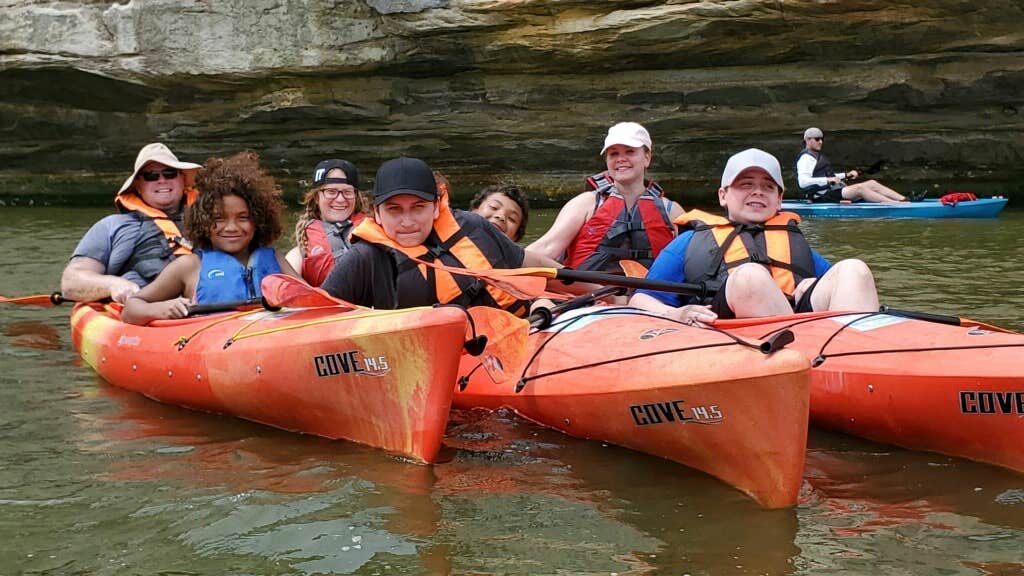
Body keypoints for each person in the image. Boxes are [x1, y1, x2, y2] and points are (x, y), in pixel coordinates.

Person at [630, 148, 880, 323]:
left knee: (853, 270)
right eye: (746, 184)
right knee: (751, 277)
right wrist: (674, 314)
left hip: (806, 336)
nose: (758, 192)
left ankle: (859, 366)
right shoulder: (688, 243)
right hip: (730, 330)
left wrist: (809, 287)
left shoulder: (791, 241)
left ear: (779, 200)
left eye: (768, 187)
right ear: (723, 195)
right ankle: (799, 366)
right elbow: (640, 300)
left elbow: (834, 288)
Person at [320, 157, 592, 313]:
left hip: (526, 333)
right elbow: (315, 319)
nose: (407, 222)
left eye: (418, 208)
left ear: (437, 207)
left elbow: (538, 267)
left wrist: (610, 293)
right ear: (377, 214)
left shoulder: (472, 226)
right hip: (446, 364)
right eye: (394, 210)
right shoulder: (363, 260)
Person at [122, 151, 299, 325]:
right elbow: (131, 308)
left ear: (259, 221)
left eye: (243, 218)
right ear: (203, 222)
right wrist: (161, 309)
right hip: (212, 347)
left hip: (270, 341)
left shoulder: (275, 259)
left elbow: (313, 299)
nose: (231, 228)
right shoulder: (189, 266)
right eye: (218, 219)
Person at [527, 122, 684, 272]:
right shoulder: (585, 204)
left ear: (647, 158)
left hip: (651, 297)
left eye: (630, 151)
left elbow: (693, 261)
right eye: (614, 153)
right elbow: (548, 247)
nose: (620, 159)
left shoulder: (672, 211)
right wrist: (508, 257)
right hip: (589, 295)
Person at [61, 143, 202, 303]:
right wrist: (113, 285)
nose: (162, 180)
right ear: (138, 185)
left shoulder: (214, 219)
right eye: (151, 176)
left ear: (182, 179)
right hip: (145, 309)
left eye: (169, 173)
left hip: (210, 307)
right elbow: (70, 282)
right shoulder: (111, 226)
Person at [285, 159, 367, 286]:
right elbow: (284, 288)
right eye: (331, 192)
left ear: (356, 197)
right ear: (316, 197)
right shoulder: (299, 254)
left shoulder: (376, 235)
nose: (340, 199)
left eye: (347, 192)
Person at [795, 127, 909, 203]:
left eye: (822, 139)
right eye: (817, 139)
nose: (820, 142)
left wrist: (846, 175)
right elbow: (803, 182)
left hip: (831, 190)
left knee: (872, 183)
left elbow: (830, 176)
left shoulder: (816, 156)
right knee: (860, 188)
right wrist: (827, 180)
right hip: (820, 195)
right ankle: (895, 205)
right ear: (808, 140)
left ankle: (904, 200)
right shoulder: (806, 158)